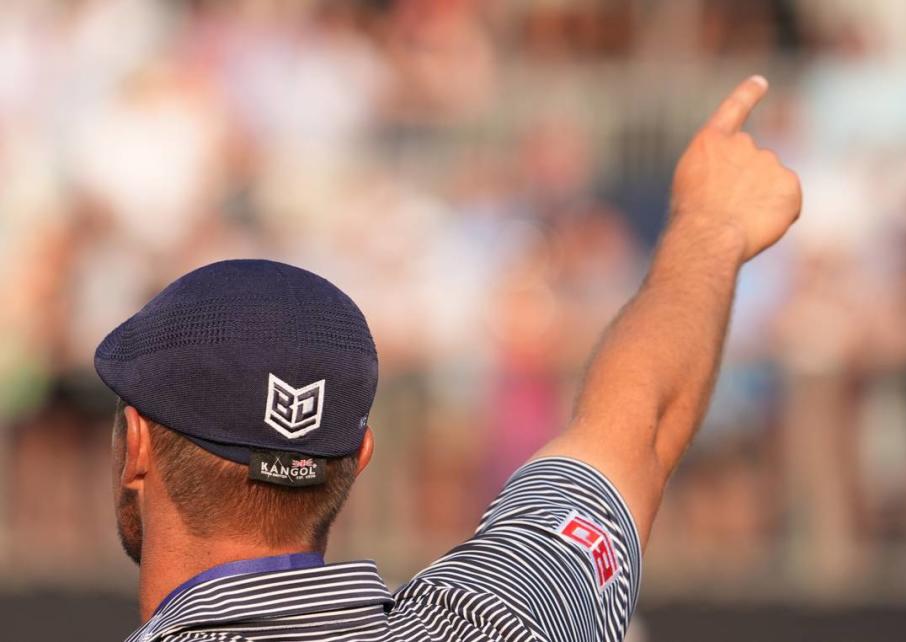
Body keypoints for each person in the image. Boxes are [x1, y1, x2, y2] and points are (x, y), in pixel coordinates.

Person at [96, 76, 800, 642]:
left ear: (136, 445)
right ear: (359, 456)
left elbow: (641, 422)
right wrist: (710, 225)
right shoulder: (494, 616)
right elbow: (638, 420)